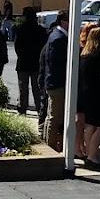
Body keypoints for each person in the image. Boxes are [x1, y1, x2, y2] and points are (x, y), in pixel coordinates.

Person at [77, 26, 100, 166]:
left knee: (90, 125)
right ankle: (92, 156)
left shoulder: (84, 56)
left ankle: (88, 153)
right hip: (99, 95)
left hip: (87, 94)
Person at [38, 11, 70, 148]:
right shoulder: (58, 38)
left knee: (52, 115)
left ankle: (48, 142)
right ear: (63, 21)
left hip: (53, 82)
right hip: (56, 83)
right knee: (55, 116)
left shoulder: (56, 35)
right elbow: (55, 64)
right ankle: (50, 146)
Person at [13, 6, 46, 116]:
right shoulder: (41, 30)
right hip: (36, 63)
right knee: (37, 88)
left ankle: (23, 108)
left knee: (23, 87)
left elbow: (17, 46)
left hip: (23, 62)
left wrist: (21, 56)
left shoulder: (21, 29)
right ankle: (39, 108)